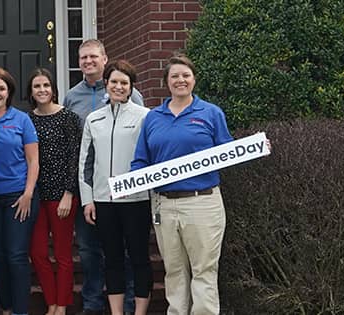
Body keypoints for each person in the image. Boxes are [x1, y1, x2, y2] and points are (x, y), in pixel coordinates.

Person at [131, 54, 233, 315]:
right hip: (164, 205)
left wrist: (252, 148)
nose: (181, 80)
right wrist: (131, 181)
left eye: (186, 75)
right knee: (174, 271)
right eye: (175, 76)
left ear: (194, 80)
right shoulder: (153, 118)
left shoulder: (211, 113)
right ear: (166, 82)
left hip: (202, 202)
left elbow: (229, 152)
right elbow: (141, 159)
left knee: (204, 271)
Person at [63, 38, 141, 314]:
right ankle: (93, 303)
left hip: (127, 192)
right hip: (89, 187)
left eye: (93, 57)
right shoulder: (72, 97)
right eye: (83, 58)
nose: (88, 62)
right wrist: (76, 191)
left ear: (104, 59)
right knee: (88, 251)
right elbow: (75, 147)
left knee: (125, 252)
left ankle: (128, 304)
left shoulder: (132, 95)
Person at [80, 60, 153, 315]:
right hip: (104, 202)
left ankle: (140, 312)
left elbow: (152, 158)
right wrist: (88, 200)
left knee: (140, 259)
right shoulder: (93, 119)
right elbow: (85, 164)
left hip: (137, 201)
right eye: (114, 82)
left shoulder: (145, 117)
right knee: (111, 260)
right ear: (106, 84)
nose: (119, 87)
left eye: (124, 83)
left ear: (132, 87)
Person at [0, 68, 39, 315]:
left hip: (18, 197)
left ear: (9, 92)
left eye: (1, 89)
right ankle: (7, 308)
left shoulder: (21, 119)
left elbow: (33, 160)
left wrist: (28, 194)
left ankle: (21, 311)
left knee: (16, 255)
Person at [27, 68, 81, 315]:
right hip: (36, 195)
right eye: (37, 86)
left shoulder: (68, 117)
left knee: (62, 254)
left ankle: (61, 306)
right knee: (38, 253)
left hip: (62, 196)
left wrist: (69, 194)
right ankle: (51, 301)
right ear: (31, 91)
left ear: (53, 89)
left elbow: (75, 157)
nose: (42, 90)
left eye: (46, 85)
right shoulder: (28, 120)